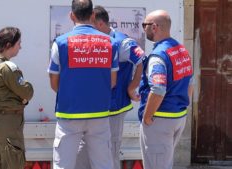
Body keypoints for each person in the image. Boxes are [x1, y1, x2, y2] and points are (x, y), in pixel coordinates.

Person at [48, 0, 119, 169]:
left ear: (72, 16)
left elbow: (54, 82)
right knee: (103, 164)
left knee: (63, 164)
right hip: (99, 113)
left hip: (69, 114)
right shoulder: (110, 42)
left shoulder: (60, 43)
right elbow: (113, 81)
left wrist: (70, 93)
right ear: (93, 15)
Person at [75, 5, 144, 169]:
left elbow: (143, 61)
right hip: (92, 108)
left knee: (109, 151)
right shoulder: (93, 42)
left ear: (98, 24)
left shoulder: (122, 43)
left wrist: (131, 88)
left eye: (89, 26)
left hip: (114, 109)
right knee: (84, 150)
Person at [138, 10, 193, 169]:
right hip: (177, 117)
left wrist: (147, 117)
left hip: (159, 119)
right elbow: (190, 81)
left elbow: (158, 89)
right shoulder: (181, 50)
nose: (144, 28)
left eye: (145, 25)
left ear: (154, 27)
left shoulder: (158, 56)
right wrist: (183, 107)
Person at [0, 27, 34, 169]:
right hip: (9, 125)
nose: (20, 47)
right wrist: (22, 98)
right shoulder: (7, 67)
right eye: (19, 44)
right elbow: (27, 92)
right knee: (14, 164)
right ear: (9, 45)